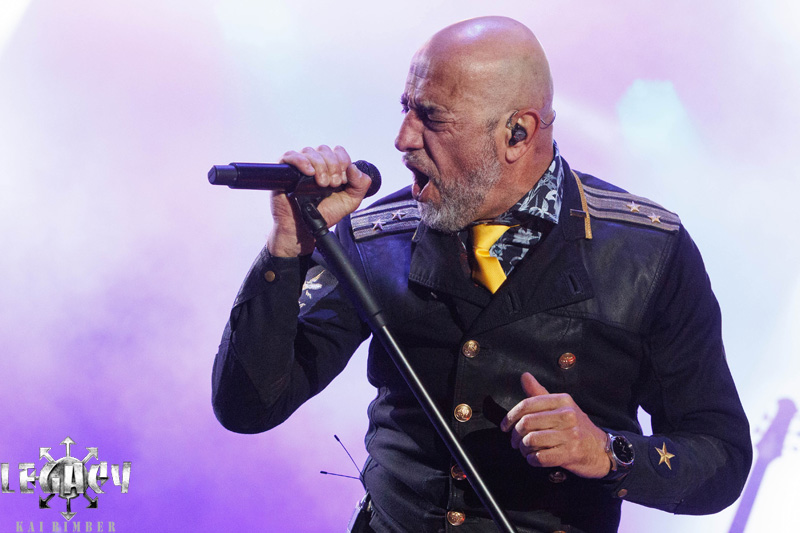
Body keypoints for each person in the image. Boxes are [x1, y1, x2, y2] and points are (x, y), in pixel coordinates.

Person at [212, 16, 752, 533]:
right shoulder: (375, 237)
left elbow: (721, 458)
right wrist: (288, 249)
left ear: (518, 132)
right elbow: (248, 406)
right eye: (406, 109)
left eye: (432, 118)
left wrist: (608, 453)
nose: (402, 139)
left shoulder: (647, 252)